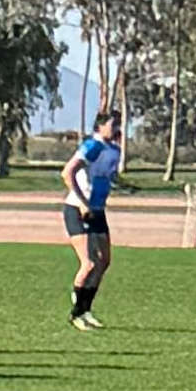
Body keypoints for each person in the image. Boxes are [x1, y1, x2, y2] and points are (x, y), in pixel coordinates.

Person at [60, 112, 124, 331]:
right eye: (113, 124)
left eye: (119, 124)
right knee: (88, 264)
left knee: (104, 261)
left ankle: (86, 309)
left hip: (98, 210)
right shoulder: (92, 146)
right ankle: (76, 312)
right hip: (78, 210)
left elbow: (109, 176)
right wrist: (83, 201)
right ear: (100, 127)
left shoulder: (115, 150)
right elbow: (68, 173)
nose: (117, 128)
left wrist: (121, 184)